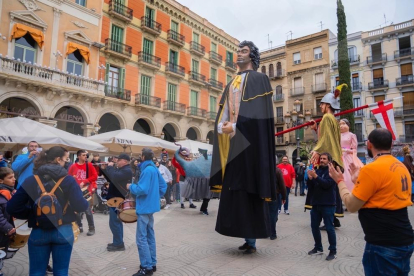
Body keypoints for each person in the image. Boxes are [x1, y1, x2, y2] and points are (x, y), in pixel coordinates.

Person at [209, 40, 277, 254]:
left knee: (251, 188)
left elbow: (258, 116)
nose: (239, 53)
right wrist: (222, 126)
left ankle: (253, 239)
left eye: (244, 51)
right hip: (233, 146)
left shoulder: (260, 79)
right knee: (236, 189)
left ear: (252, 55)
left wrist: (235, 126)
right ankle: (246, 236)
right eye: (238, 51)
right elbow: (225, 111)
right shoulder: (232, 83)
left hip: (251, 145)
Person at [329, 129, 414, 276]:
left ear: (369, 144)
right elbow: (383, 192)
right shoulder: (401, 167)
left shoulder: (371, 169)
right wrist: (358, 181)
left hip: (383, 244)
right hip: (404, 239)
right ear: (391, 144)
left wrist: (340, 181)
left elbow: (351, 205)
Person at [7, 146, 88, 276]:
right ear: (58, 159)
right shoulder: (68, 180)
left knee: (37, 272)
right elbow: (81, 206)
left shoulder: (31, 180)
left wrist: (33, 213)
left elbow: (12, 207)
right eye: (65, 159)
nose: (66, 162)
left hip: (39, 230)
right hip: (63, 229)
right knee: (61, 271)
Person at [128, 148, 167, 276]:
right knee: (150, 235)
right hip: (151, 206)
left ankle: (146, 267)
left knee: (141, 238)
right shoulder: (154, 168)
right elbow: (163, 186)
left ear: (143, 157)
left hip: (144, 207)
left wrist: (131, 187)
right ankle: (152, 263)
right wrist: (155, 196)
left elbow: (142, 189)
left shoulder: (147, 170)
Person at [307, 153, 338, 261]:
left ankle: (333, 251)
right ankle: (318, 247)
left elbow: (326, 184)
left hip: (328, 204)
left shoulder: (332, 172)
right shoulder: (318, 170)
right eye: (321, 159)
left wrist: (316, 177)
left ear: (329, 161)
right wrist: (310, 179)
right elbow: (311, 187)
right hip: (316, 204)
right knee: (314, 226)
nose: (322, 160)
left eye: (324, 159)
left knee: (329, 228)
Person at [101, 153, 132, 252]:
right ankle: (118, 242)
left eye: (119, 160)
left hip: (118, 198)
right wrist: (105, 169)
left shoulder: (127, 170)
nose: (117, 162)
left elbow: (114, 176)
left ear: (125, 161)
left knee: (115, 222)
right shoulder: (121, 170)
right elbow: (111, 178)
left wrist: (110, 167)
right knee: (114, 222)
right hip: (114, 197)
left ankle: (118, 244)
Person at [310, 85, 346, 171]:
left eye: (322, 104)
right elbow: (325, 137)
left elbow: (326, 138)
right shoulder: (334, 120)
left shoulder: (326, 117)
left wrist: (318, 150)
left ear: (328, 105)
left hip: (328, 160)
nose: (320, 106)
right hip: (334, 158)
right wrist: (316, 129)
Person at [68, 150, 97, 236]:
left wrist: (85, 181)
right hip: (75, 191)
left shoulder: (89, 165)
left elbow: (95, 176)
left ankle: (91, 228)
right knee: (76, 211)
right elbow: (69, 177)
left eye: (86, 155)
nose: (86, 156)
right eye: (83, 155)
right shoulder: (73, 166)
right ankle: (79, 226)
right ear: (78, 156)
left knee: (87, 210)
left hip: (86, 190)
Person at [339, 119, 364, 191]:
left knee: (349, 174)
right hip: (339, 156)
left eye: (343, 123)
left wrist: (346, 150)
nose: (341, 126)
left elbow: (354, 149)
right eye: (340, 124)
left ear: (348, 125)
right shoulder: (337, 135)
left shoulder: (351, 135)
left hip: (348, 156)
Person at [0, 167, 16, 276]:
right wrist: (8, 227)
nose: (14, 179)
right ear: (1, 180)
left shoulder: (9, 191)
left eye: (14, 176)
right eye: (10, 178)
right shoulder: (4, 193)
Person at [268, 166, 287, 240]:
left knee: (267, 214)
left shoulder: (263, 169)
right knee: (273, 215)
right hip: (274, 195)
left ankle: (267, 231)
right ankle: (272, 234)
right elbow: (282, 185)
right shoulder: (277, 171)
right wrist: (284, 197)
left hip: (264, 196)